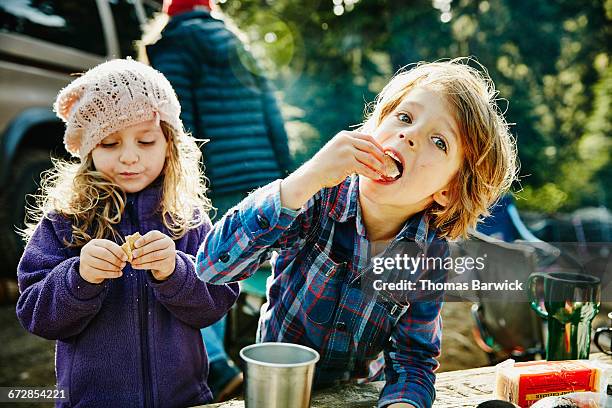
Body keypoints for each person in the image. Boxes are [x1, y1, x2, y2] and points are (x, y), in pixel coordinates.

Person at [196, 58, 518, 408]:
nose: (408, 136)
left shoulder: (428, 254)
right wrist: (303, 180)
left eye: (438, 141)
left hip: (358, 398)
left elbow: (412, 360)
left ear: (448, 191)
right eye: (405, 118)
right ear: (372, 128)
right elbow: (212, 268)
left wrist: (402, 404)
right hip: (281, 394)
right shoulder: (314, 199)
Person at [15, 59, 239, 407]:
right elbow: (35, 313)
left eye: (146, 141)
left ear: (170, 145)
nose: (130, 158)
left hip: (183, 399)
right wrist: (79, 276)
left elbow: (216, 303)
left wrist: (174, 271)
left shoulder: (188, 218)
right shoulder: (66, 221)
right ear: (88, 151)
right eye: (109, 144)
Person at [140, 0, 293, 400]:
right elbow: (273, 114)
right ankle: (269, 355)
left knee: (207, 266)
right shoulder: (239, 44)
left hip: (215, 178)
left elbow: (176, 121)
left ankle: (218, 367)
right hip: (263, 175)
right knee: (261, 268)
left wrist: (179, 179)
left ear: (169, 14)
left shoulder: (173, 46)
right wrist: (286, 176)